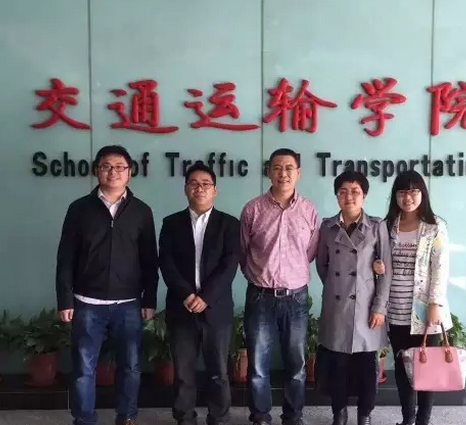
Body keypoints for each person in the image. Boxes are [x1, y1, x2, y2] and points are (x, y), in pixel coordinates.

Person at [56, 145, 158, 425]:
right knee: (83, 369)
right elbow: (65, 257)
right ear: (97, 171)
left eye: (120, 167)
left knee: (131, 366)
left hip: (128, 303)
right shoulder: (79, 209)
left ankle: (127, 417)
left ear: (130, 172)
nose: (113, 172)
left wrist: (150, 299)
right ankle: (84, 419)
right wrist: (65, 299)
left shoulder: (141, 211)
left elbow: (150, 259)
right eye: (106, 166)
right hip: (87, 302)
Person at [240, 148, 320, 425]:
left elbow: (310, 252)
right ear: (268, 172)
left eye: (288, 168)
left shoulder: (309, 210)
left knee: (296, 365)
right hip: (260, 296)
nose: (283, 173)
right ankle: (260, 417)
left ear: (298, 173)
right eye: (277, 167)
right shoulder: (252, 209)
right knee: (257, 366)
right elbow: (243, 252)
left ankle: (293, 416)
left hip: (296, 298)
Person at [159, 163, 240, 425]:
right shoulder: (171, 223)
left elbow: (230, 265)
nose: (200, 188)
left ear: (215, 190)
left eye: (206, 184)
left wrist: (206, 297)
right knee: (183, 373)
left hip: (216, 309)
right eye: (194, 183)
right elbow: (166, 264)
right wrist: (186, 294)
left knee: (218, 373)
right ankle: (185, 418)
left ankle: (219, 418)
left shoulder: (229, 224)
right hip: (181, 308)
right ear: (186, 189)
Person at [373, 170, 452, 425]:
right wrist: (376, 266)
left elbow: (441, 267)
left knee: (427, 367)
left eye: (413, 191)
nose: (408, 198)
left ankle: (423, 420)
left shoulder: (435, 226)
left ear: (422, 194)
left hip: (424, 311)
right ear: (395, 195)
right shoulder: (387, 225)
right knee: (402, 367)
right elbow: (377, 259)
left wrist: (434, 304)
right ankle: (407, 419)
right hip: (395, 309)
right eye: (402, 192)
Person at [315, 171, 392, 425]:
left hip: (366, 306)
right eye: (343, 191)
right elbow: (323, 266)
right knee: (337, 364)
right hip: (337, 306)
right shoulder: (327, 227)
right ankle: (339, 412)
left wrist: (379, 306)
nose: (349, 196)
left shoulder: (377, 226)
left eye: (355, 191)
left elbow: (386, 270)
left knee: (366, 365)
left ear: (364, 196)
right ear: (337, 196)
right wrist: (339, 286)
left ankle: (364, 414)